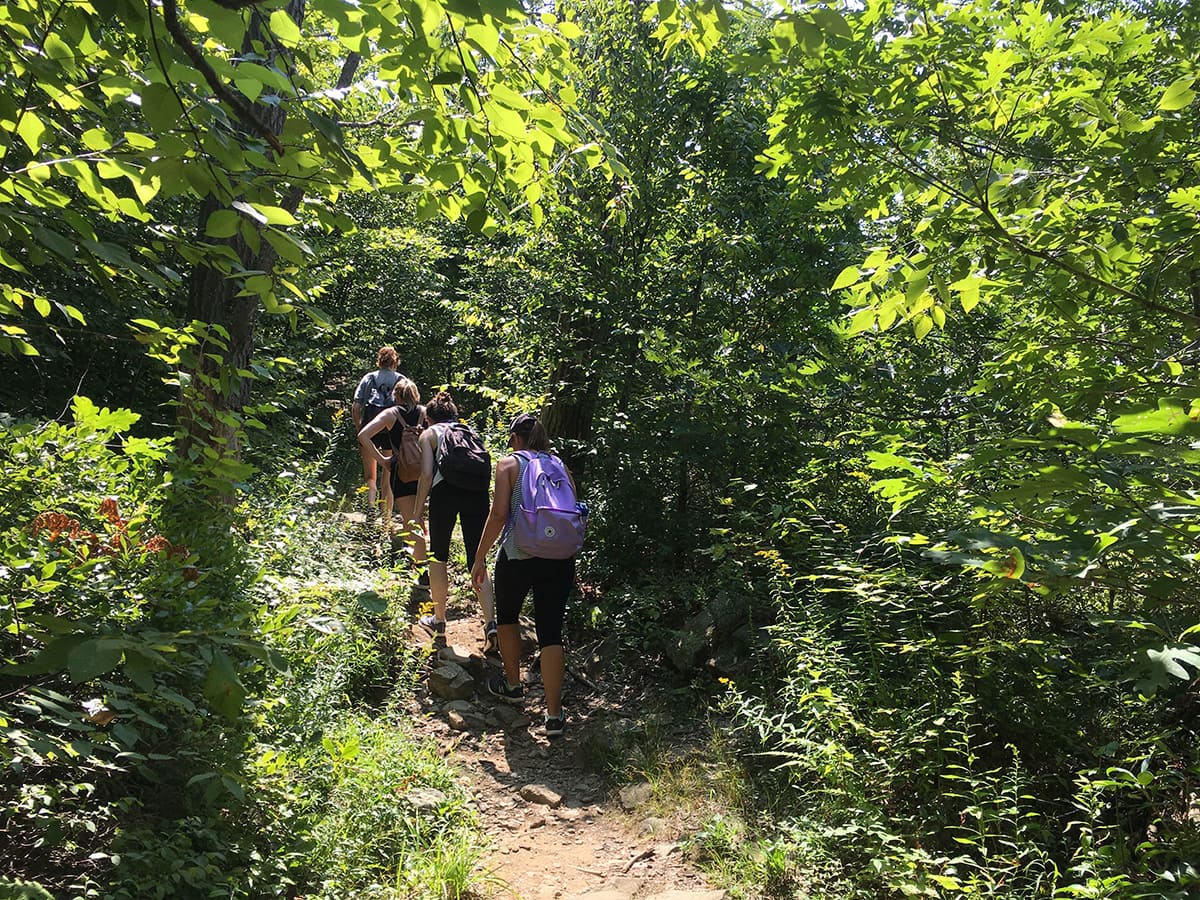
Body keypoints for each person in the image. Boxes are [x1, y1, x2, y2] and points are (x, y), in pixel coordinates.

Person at [471, 413, 577, 738]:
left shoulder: (508, 464)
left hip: (518, 554)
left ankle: (513, 684)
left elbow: (499, 514)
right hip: (559, 557)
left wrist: (479, 557)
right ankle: (555, 715)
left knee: (507, 618)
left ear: (516, 438)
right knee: (551, 632)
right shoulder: (560, 465)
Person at [412, 390, 496, 648]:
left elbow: (426, 475)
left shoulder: (429, 434)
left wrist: (417, 512)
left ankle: (439, 620)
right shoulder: (469, 432)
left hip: (444, 492)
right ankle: (491, 623)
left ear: (429, 418)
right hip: (476, 493)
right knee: (477, 557)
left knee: (438, 556)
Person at [356, 377, 429, 573]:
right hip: (425, 472)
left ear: (396, 396)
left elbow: (363, 435)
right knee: (415, 517)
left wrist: (383, 461)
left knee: (411, 519)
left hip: (402, 472)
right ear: (415, 395)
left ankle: (422, 570)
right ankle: (413, 558)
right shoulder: (426, 413)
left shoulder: (391, 414)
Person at [351, 346, 403, 520]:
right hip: (391, 430)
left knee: (370, 475)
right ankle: (386, 519)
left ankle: (370, 510)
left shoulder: (369, 378)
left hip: (370, 428)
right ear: (395, 361)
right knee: (388, 475)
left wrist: (360, 428)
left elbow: (356, 407)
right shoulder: (400, 380)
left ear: (379, 360)